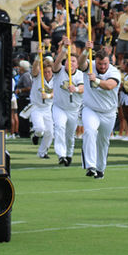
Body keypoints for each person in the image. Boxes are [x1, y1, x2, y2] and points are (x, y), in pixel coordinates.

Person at [81, 49, 121, 178]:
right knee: (90, 131)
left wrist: (96, 80)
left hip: (108, 112)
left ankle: (100, 169)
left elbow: (109, 85)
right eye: (99, 64)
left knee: (103, 141)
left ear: (109, 61)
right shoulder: (89, 65)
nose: (102, 67)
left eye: (105, 64)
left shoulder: (114, 71)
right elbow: (81, 64)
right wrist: (86, 51)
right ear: (95, 61)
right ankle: (90, 166)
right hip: (90, 109)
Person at [52, 38, 88, 166]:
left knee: (70, 134)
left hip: (73, 109)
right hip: (59, 107)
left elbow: (83, 88)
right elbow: (55, 64)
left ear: (77, 64)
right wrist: (64, 50)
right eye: (68, 61)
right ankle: (61, 154)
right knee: (60, 127)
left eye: (73, 61)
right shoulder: (59, 71)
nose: (70, 63)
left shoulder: (80, 75)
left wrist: (76, 89)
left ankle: (69, 154)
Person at [29, 57, 53, 159]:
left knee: (50, 132)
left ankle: (42, 152)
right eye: (45, 72)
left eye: (49, 72)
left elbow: (56, 93)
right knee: (40, 129)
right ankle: (36, 135)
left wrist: (48, 96)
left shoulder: (56, 79)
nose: (47, 74)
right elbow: (34, 68)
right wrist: (38, 58)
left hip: (48, 108)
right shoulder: (38, 76)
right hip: (36, 107)